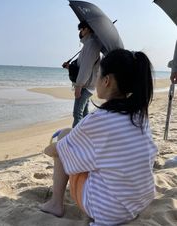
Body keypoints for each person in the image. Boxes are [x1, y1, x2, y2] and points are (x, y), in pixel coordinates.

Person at [40, 49, 158, 225]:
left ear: (107, 80)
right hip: (139, 202)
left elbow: (60, 150)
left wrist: (48, 148)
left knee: (64, 137)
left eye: (97, 75)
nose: (95, 80)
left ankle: (56, 203)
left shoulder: (99, 119)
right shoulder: (140, 116)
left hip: (109, 209)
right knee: (81, 146)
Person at [62, 21, 101, 128]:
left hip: (85, 85)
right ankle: (87, 134)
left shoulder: (92, 44)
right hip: (86, 84)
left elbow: (86, 68)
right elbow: (82, 66)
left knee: (77, 113)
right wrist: (69, 67)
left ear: (87, 29)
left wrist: (79, 85)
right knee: (83, 113)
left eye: (81, 29)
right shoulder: (89, 44)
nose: (80, 32)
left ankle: (75, 141)